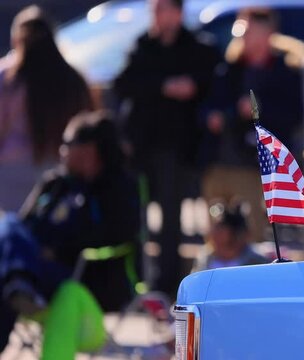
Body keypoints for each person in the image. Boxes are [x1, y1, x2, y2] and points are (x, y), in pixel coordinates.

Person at [0, 112, 140, 353]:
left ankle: (19, 281)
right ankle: (19, 282)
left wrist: (55, 249)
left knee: (9, 272)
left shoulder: (118, 187)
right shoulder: (55, 184)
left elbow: (118, 234)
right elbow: (25, 225)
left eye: (67, 144)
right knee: (10, 225)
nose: (61, 151)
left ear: (89, 150)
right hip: (38, 271)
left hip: (84, 277)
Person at [114, 0, 221, 296]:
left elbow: (211, 81)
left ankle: (168, 284)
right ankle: (134, 283)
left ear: (177, 12)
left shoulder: (197, 47)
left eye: (163, 10)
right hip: (142, 146)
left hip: (177, 147)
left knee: (171, 220)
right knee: (136, 217)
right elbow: (123, 84)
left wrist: (191, 87)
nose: (158, 17)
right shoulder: (142, 47)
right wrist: (163, 86)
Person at [201, 7, 304, 242]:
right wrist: (219, 116)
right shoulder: (231, 69)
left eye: (249, 31)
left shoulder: (285, 70)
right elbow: (211, 105)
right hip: (223, 159)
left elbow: (294, 115)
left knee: (253, 233)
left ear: (267, 32)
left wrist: (259, 111)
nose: (243, 37)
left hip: (260, 166)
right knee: (217, 232)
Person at [0, 6, 93, 212]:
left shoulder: (8, 80)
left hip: (10, 176)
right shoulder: (73, 79)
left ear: (17, 40)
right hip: (60, 176)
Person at [191, 200, 268, 272]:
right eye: (215, 227)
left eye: (220, 228)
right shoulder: (204, 261)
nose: (214, 232)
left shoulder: (258, 264)